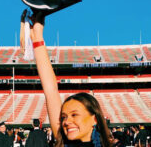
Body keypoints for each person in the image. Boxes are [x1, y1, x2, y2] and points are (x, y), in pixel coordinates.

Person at [26, 12, 113, 147]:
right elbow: (51, 91)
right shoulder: (64, 143)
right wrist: (37, 37)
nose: (66, 122)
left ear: (94, 119)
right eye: (64, 117)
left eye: (74, 115)